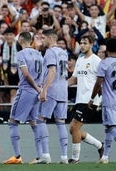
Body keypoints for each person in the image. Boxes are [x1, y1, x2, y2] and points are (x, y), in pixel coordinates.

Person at [3, 32, 43, 164]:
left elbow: (25, 74)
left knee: (13, 121)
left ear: (20, 40)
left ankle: (17, 156)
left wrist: (36, 88)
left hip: (26, 90)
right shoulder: (39, 54)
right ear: (31, 40)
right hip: (37, 91)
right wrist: (39, 89)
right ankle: (39, 156)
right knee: (34, 123)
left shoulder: (21, 54)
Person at [89, 38, 116, 164]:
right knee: (109, 128)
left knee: (111, 127)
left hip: (109, 100)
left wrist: (92, 98)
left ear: (107, 49)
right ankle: (105, 157)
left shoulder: (104, 63)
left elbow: (99, 83)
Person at [68, 35, 104, 163]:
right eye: (81, 43)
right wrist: (61, 87)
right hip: (80, 99)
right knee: (73, 129)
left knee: (75, 127)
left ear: (91, 44)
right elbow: (74, 78)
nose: (82, 45)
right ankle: (100, 146)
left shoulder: (97, 60)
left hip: (90, 100)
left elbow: (101, 82)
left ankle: (75, 159)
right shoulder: (80, 59)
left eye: (85, 43)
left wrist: (95, 99)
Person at [36, 29, 69, 164]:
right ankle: (64, 157)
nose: (42, 41)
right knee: (60, 122)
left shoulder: (50, 52)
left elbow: (52, 70)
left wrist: (44, 90)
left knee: (41, 119)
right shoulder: (63, 52)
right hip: (63, 90)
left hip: (52, 90)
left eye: (43, 38)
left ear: (50, 38)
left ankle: (46, 155)